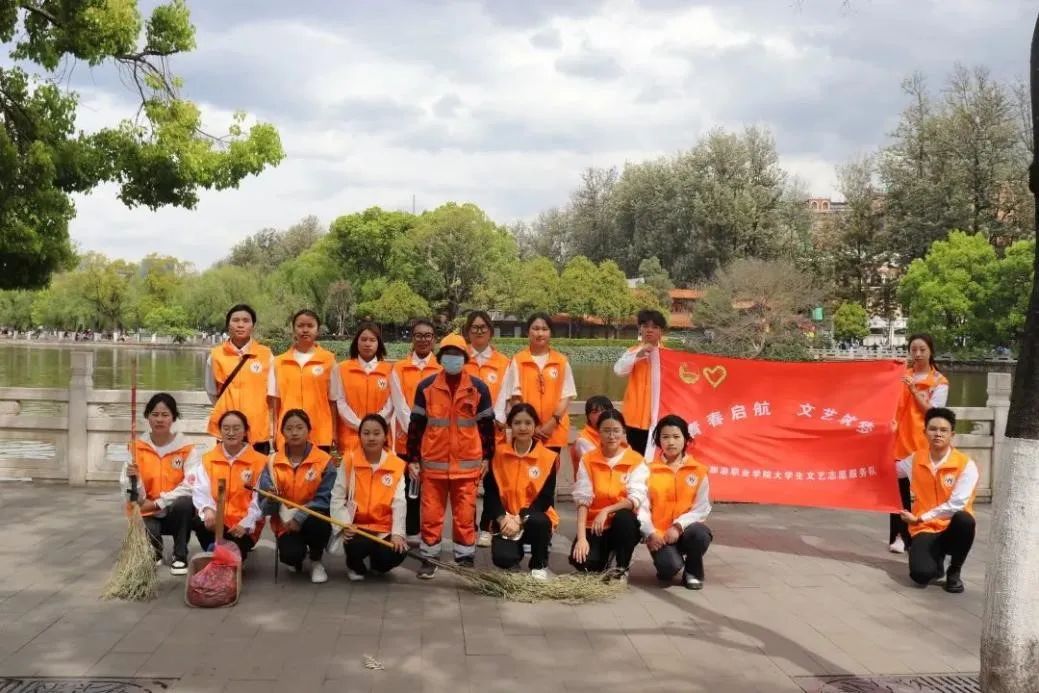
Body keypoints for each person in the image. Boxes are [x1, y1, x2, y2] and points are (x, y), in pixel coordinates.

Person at [407, 333, 496, 579]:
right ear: (440, 358)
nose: (452, 359)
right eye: (448, 355)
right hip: (433, 465)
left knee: (465, 515)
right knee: (431, 514)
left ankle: (465, 559)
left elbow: (487, 427)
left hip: (467, 466)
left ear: (465, 358)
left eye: (457, 355)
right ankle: (429, 557)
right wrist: (412, 459)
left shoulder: (478, 388)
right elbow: (415, 426)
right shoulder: (426, 387)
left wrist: (488, 458)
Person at [896, 407, 978, 593]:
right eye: (933, 429)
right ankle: (936, 559)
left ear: (952, 434)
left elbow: (956, 504)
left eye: (943, 430)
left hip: (951, 527)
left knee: (965, 519)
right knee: (920, 575)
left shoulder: (965, 465)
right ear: (925, 432)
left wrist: (920, 518)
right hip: (925, 528)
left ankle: (954, 570)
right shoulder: (915, 459)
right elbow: (890, 471)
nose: (938, 434)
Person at [628, 414, 712, 590]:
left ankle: (693, 572)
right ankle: (668, 562)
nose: (671, 442)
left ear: (686, 439)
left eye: (676, 437)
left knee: (700, 534)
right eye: (665, 437)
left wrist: (678, 526)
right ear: (658, 440)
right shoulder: (647, 470)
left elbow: (702, 507)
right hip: (659, 535)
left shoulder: (699, 471)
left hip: (686, 530)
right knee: (668, 569)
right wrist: (650, 533)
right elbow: (642, 508)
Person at [119, 393, 199, 576]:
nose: (160, 419)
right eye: (155, 414)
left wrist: (159, 503)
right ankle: (154, 550)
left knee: (185, 503)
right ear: (147, 416)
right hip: (146, 510)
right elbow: (125, 485)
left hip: (173, 509)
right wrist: (136, 485)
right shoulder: (135, 447)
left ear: (174, 417)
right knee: (148, 532)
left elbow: (191, 484)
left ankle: (180, 554)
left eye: (165, 415)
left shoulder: (186, 448)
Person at [257, 409, 336, 583]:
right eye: (289, 428)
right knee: (290, 556)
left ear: (308, 430)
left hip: (313, 517)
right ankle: (297, 556)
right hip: (285, 523)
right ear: (282, 432)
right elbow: (263, 504)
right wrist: (271, 499)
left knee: (319, 522)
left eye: (299, 427)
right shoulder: (272, 462)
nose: (294, 432)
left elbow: (325, 499)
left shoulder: (324, 461)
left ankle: (316, 560)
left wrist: (299, 518)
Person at [483, 403, 559, 580]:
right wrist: (502, 518)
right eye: (517, 423)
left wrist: (519, 518)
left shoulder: (548, 458)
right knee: (503, 559)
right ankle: (514, 554)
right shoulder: (498, 455)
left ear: (535, 426)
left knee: (540, 521)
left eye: (528, 423)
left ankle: (539, 564)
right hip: (507, 519)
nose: (523, 427)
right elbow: (491, 494)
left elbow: (544, 500)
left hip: (531, 518)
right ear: (510, 425)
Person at [889, 333, 949, 554]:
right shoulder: (902, 376)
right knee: (898, 493)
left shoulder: (939, 382)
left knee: (925, 493)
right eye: (914, 349)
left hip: (924, 442)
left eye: (922, 349)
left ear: (930, 351)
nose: (918, 354)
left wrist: (914, 390)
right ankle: (899, 536)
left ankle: (925, 535)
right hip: (900, 439)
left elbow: (933, 413)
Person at [330, 414, 409, 580]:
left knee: (397, 552)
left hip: (383, 528)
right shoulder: (349, 461)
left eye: (376, 433)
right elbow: (337, 497)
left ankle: (377, 564)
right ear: (359, 436)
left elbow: (399, 503)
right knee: (357, 545)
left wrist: (397, 534)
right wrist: (345, 524)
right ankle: (354, 565)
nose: (371, 438)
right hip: (357, 527)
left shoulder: (396, 465)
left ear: (385, 435)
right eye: (366, 433)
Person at [570, 410, 644, 580]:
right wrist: (582, 538)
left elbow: (635, 499)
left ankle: (622, 566)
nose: (611, 436)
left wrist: (607, 510)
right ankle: (605, 556)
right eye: (606, 430)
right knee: (583, 563)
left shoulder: (635, 460)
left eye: (616, 430)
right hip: (595, 525)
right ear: (598, 432)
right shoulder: (588, 459)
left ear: (624, 432)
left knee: (624, 518)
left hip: (621, 522)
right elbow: (583, 501)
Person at [389, 318, 442, 545]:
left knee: (431, 490)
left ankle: (431, 534)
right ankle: (410, 530)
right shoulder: (399, 369)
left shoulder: (440, 369)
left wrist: (428, 431)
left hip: (434, 440)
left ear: (434, 339)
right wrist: (415, 430)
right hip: (405, 439)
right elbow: (399, 403)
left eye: (428, 335)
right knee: (406, 486)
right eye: (419, 335)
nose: (423, 340)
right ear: (412, 338)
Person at [191, 410, 267, 561]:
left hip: (242, 528)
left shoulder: (260, 462)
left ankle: (221, 554)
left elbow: (260, 500)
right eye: (226, 428)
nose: (231, 433)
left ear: (245, 431)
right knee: (197, 521)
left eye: (236, 428)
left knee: (235, 552)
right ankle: (217, 553)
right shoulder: (208, 459)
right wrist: (208, 510)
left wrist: (246, 523)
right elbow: (201, 490)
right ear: (220, 431)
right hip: (217, 523)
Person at [464, 310, 511, 548]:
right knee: (468, 484)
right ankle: (467, 527)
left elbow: (507, 393)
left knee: (493, 483)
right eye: (474, 327)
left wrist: (498, 417)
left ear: (491, 331)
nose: (479, 331)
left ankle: (487, 526)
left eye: (483, 327)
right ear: (468, 331)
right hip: (467, 433)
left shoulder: (503, 362)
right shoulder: (462, 360)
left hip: (495, 432)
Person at [500, 313, 576, 457]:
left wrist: (552, 423)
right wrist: (530, 426)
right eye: (535, 328)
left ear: (550, 333)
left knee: (550, 475)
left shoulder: (561, 361)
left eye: (544, 329)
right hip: (526, 431)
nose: (540, 333)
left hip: (553, 430)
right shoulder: (518, 360)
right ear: (527, 331)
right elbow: (514, 397)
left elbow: (566, 395)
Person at [204, 304, 275, 454]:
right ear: (228, 325)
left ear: (253, 325)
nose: (240, 324)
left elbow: (273, 394)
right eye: (235, 320)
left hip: (257, 429)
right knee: (225, 473)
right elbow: (212, 392)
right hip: (227, 430)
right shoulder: (216, 355)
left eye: (246, 320)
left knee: (258, 475)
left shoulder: (266, 355)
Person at [269, 309, 338, 453]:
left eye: (310, 326)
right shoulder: (279, 362)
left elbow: (333, 401)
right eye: (300, 326)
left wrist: (334, 431)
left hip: (320, 432)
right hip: (287, 433)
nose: (305, 330)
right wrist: (274, 431)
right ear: (293, 329)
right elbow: (275, 402)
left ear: (318, 330)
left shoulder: (328, 360)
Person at [333, 322, 393, 454]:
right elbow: (340, 402)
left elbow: (390, 404)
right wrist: (360, 426)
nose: (367, 344)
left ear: (379, 343)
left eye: (372, 340)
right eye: (363, 339)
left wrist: (374, 426)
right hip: (350, 439)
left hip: (380, 439)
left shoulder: (389, 370)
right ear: (356, 342)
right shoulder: (342, 368)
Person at [613, 309, 667, 455]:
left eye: (654, 327)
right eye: (645, 326)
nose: (649, 330)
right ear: (640, 329)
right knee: (636, 460)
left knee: (656, 461)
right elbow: (619, 370)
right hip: (634, 418)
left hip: (658, 418)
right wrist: (638, 355)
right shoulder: (632, 352)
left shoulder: (669, 356)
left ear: (661, 331)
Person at [570, 395, 616, 477]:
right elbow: (599, 467)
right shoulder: (582, 441)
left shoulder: (616, 434)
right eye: (595, 412)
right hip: (590, 486)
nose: (600, 415)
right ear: (588, 417)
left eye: (604, 411)